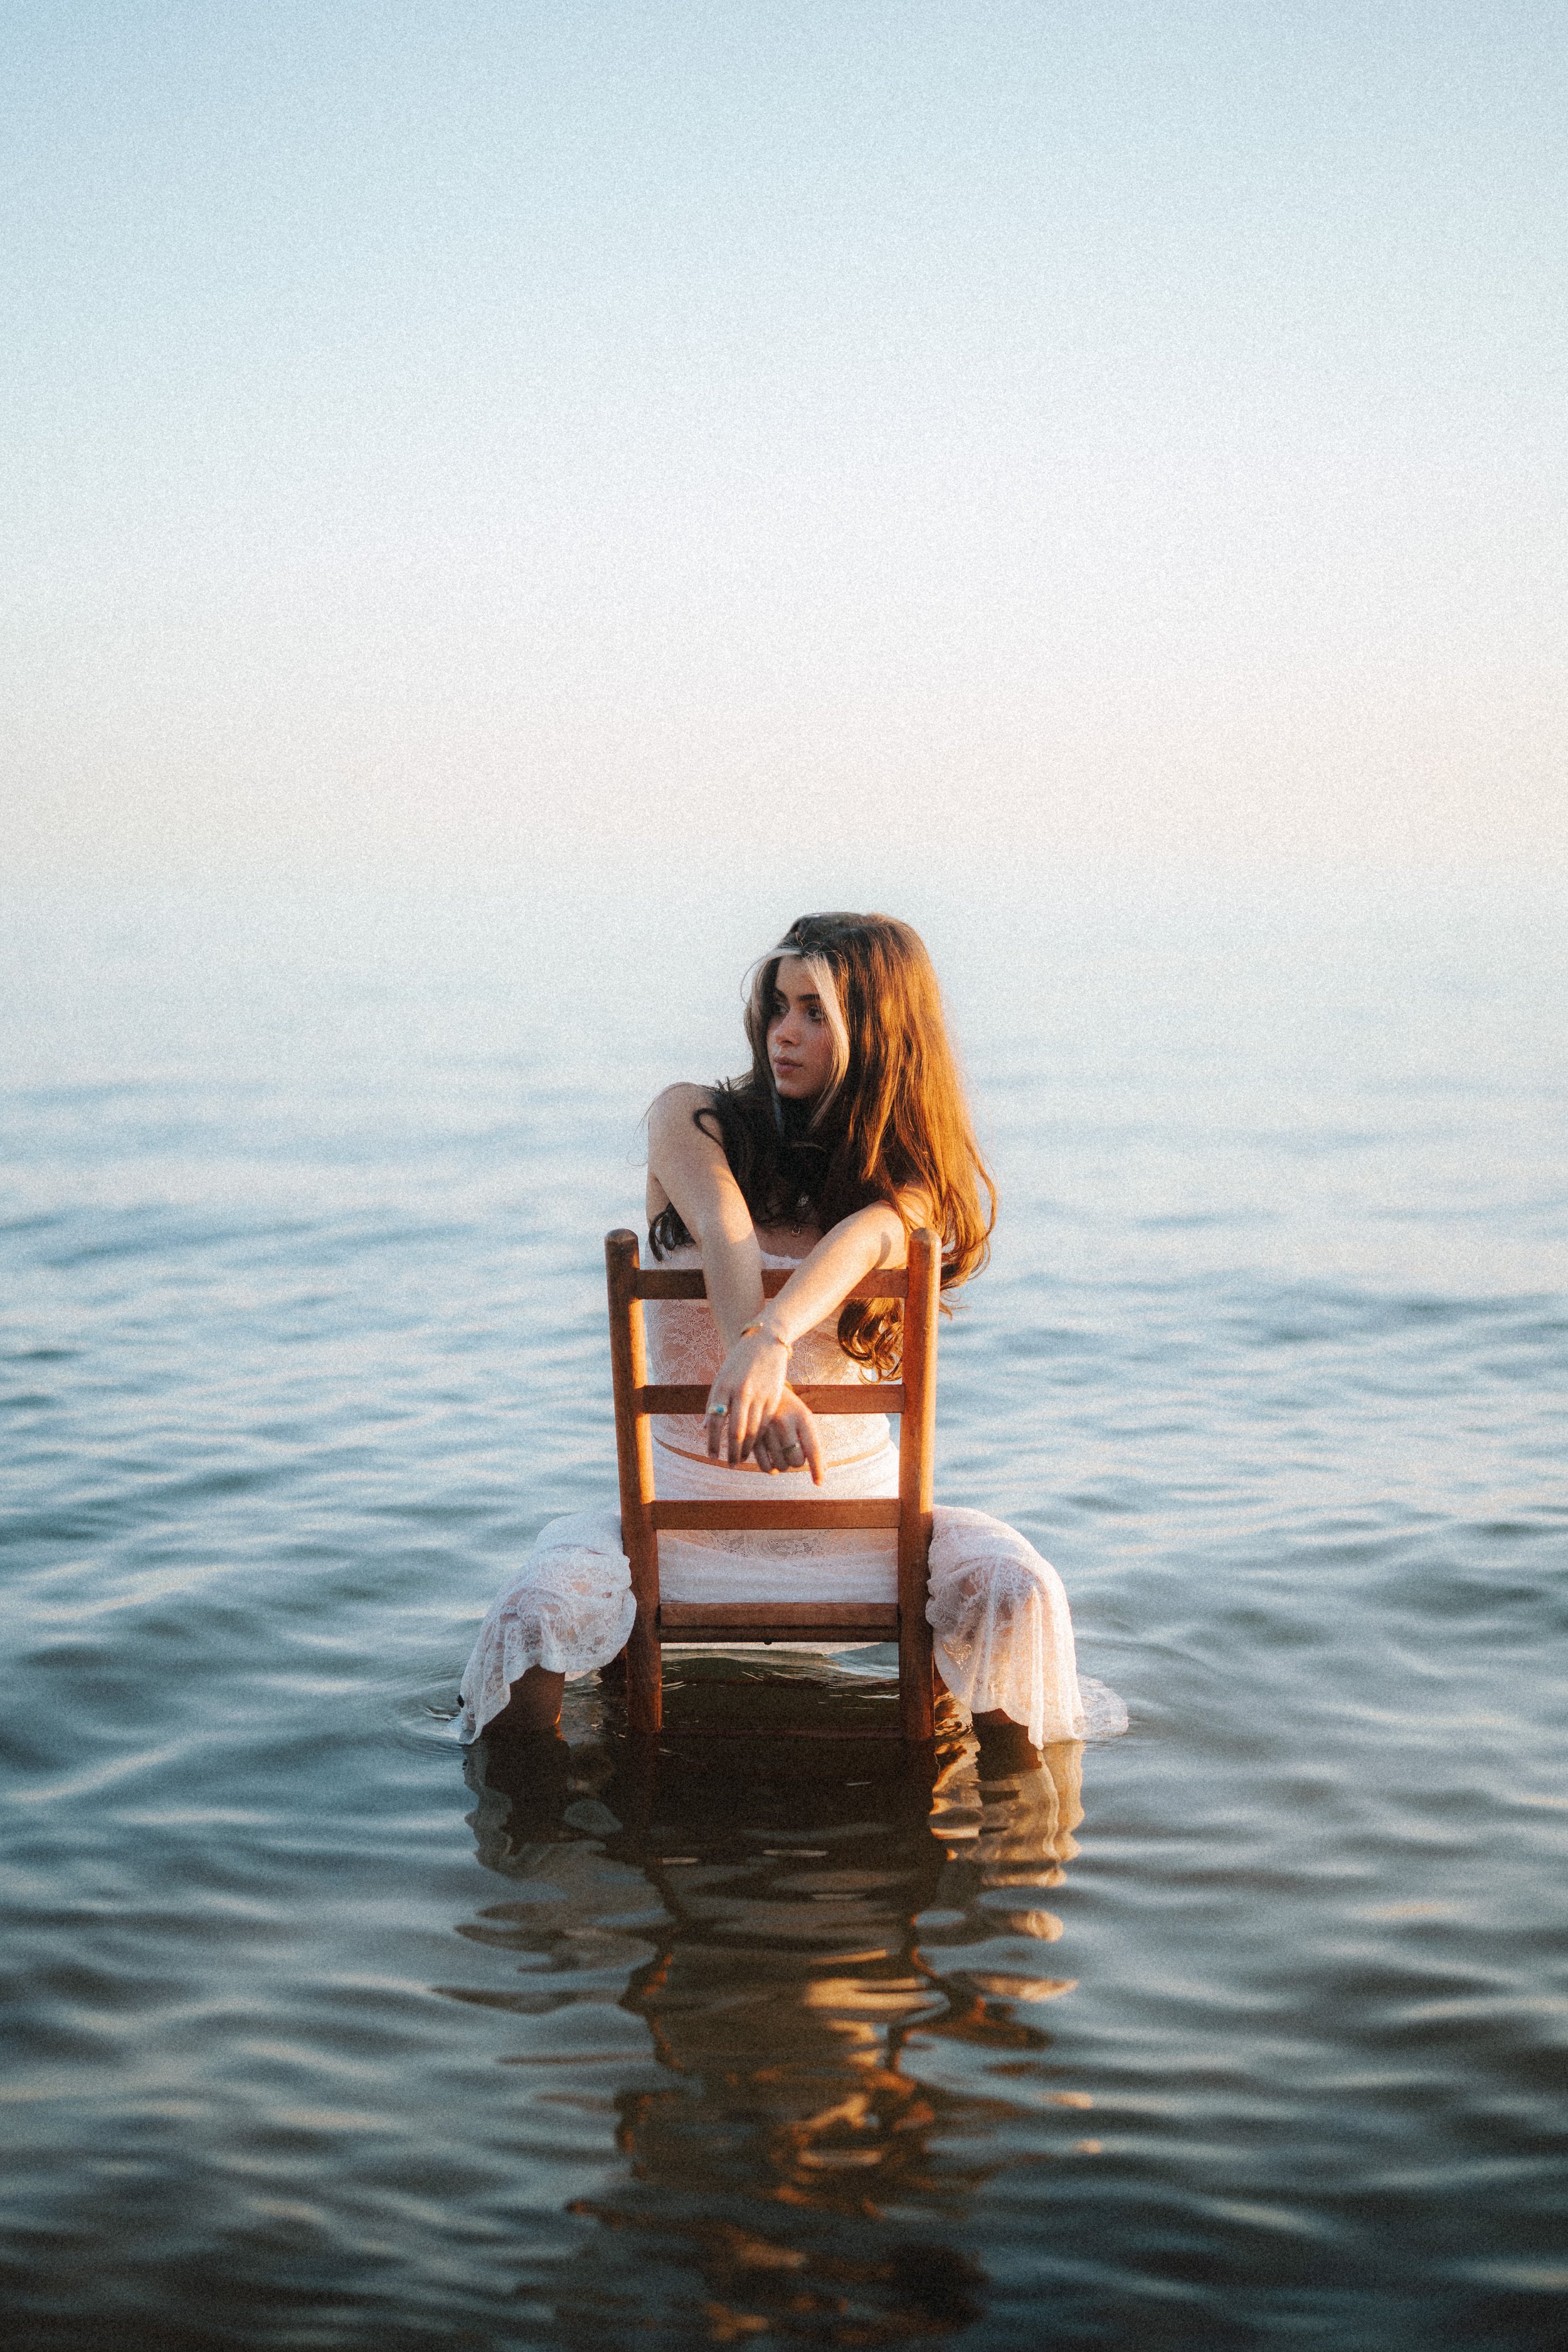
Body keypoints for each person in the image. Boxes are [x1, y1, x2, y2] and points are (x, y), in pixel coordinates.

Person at [458, 911, 1116, 1761]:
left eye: (813, 1012)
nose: (783, 1033)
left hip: (869, 1528)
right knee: (526, 1617)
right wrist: (754, 1361)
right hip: (680, 1523)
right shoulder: (689, 1116)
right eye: (777, 1005)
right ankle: (536, 1839)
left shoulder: (907, 1179)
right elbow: (727, 1230)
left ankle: (1008, 1860)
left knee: (1020, 1593)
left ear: (875, 1031)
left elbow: (872, 1235)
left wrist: (770, 1343)